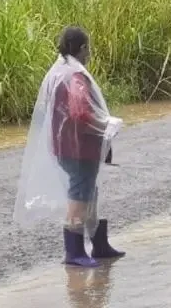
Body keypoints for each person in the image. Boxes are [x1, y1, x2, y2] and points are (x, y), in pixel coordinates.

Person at [14, 26, 124, 267]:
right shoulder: (75, 75)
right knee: (79, 195)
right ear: (83, 48)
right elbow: (80, 113)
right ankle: (73, 252)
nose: (90, 53)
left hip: (63, 143)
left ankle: (99, 245)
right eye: (89, 48)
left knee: (89, 193)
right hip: (79, 147)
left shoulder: (59, 70)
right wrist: (106, 124)